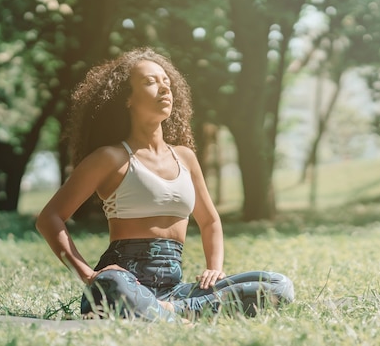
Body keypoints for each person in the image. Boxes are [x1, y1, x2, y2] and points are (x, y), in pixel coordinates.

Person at [36, 47, 294, 321]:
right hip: (123, 287)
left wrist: (214, 269)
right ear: (127, 99)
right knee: (111, 283)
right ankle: (185, 314)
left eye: (166, 82)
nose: (163, 89)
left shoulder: (185, 157)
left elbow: (210, 222)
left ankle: (170, 314)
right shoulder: (110, 158)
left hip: (174, 292)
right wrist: (87, 275)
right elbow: (49, 218)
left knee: (278, 285)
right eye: (150, 82)